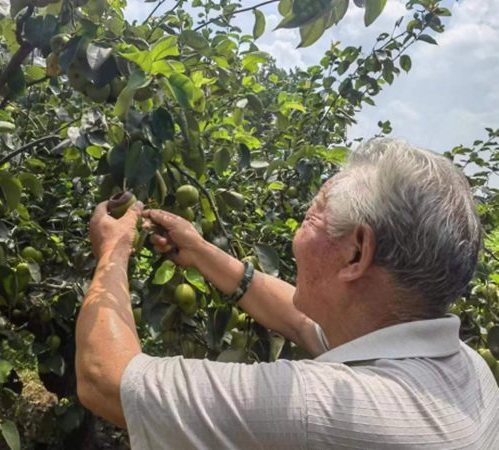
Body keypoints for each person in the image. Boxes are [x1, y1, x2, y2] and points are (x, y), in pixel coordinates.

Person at [75, 139, 499, 449]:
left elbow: (106, 379)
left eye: (314, 213)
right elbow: (302, 323)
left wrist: (113, 250)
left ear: (356, 253)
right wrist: (202, 252)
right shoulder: (469, 369)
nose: (299, 231)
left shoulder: (317, 410)